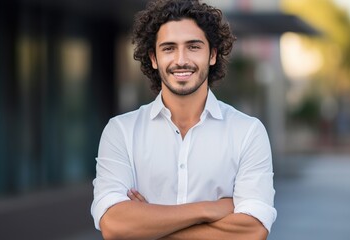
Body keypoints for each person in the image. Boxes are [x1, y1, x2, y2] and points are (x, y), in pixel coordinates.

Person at [91, 0, 277, 239]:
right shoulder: (121, 131)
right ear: (154, 58)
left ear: (212, 54)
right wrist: (209, 209)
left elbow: (252, 230)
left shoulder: (248, 132)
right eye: (169, 48)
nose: (181, 60)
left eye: (193, 47)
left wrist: (148, 224)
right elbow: (115, 226)